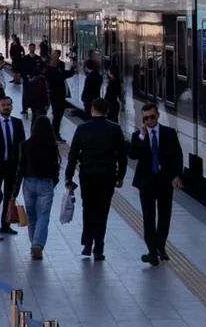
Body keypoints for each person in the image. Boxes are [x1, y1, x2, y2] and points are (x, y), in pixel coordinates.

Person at [64, 97, 126, 261]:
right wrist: (121, 176)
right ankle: (99, 247)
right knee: (102, 211)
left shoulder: (82, 128)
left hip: (87, 175)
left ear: (92, 109)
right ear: (107, 111)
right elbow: (122, 156)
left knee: (88, 208)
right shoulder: (115, 129)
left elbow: (73, 155)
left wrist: (68, 177)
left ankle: (87, 242)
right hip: (107, 176)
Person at [127, 100, 182, 266]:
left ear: (157, 116)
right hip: (146, 182)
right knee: (148, 217)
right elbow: (132, 154)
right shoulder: (138, 136)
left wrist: (178, 176)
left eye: (152, 117)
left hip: (164, 180)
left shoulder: (169, 133)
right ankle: (152, 251)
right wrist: (142, 136)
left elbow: (177, 156)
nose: (149, 121)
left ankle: (161, 247)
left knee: (164, 216)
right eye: (145, 119)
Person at [14, 116, 60, 260]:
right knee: (43, 215)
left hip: (29, 183)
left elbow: (20, 169)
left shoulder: (25, 145)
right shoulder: (52, 146)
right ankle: (37, 244)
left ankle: (34, 243)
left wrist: (14, 192)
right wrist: (54, 182)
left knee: (32, 216)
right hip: (45, 183)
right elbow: (55, 168)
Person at [0, 95, 25, 236]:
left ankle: (5, 225)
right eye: (3, 105)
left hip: (12, 166)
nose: (6, 107)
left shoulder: (18, 123)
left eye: (8, 104)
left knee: (10, 196)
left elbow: (22, 145)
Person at [44, 52, 75, 142]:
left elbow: (64, 75)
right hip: (56, 97)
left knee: (58, 117)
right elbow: (61, 77)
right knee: (57, 117)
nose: (58, 60)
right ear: (50, 61)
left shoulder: (56, 69)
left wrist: (72, 69)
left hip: (59, 96)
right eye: (55, 59)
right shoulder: (50, 71)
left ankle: (55, 134)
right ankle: (55, 135)